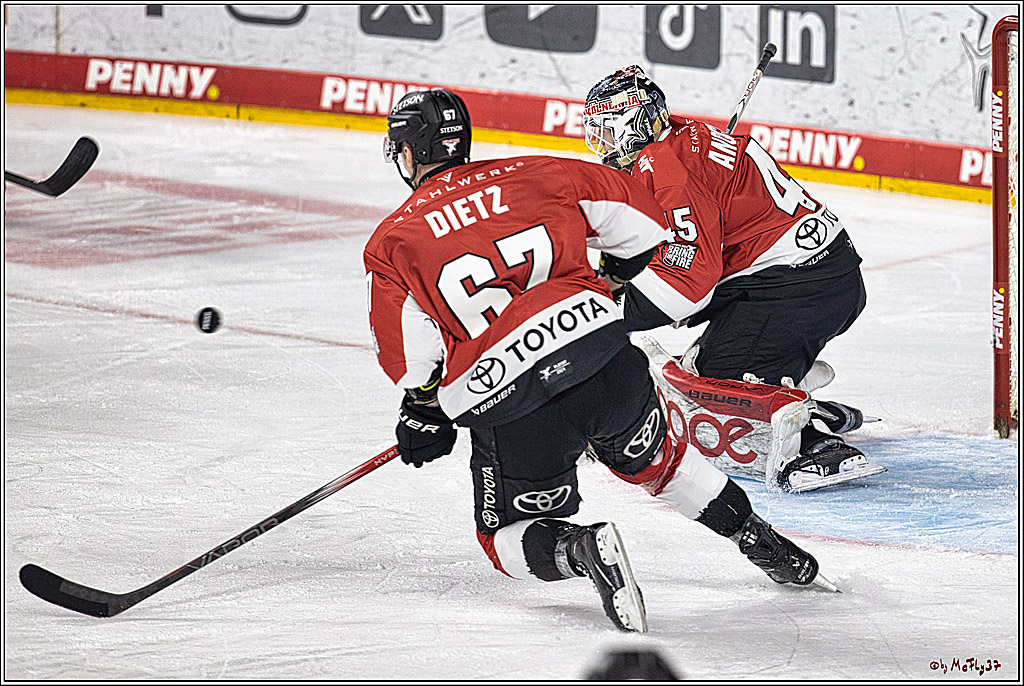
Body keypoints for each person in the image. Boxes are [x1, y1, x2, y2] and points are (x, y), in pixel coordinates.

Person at [364, 88, 834, 634]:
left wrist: (423, 411)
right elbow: (641, 227)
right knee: (666, 464)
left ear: (406, 153)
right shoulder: (536, 171)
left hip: (513, 405)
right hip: (606, 361)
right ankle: (757, 538)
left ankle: (580, 549)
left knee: (507, 538)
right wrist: (611, 271)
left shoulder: (393, 240)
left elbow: (409, 360)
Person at [581, 65, 885, 492]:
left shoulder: (667, 168)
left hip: (799, 288)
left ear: (638, 124)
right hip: (813, 276)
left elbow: (691, 282)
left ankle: (813, 438)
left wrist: (614, 310)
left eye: (608, 132)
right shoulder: (679, 137)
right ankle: (785, 379)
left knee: (715, 394)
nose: (602, 145)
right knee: (695, 372)